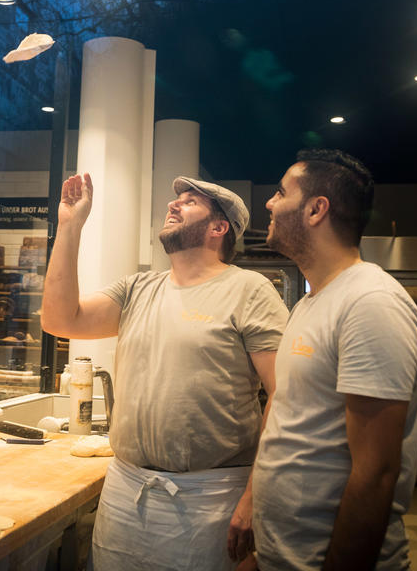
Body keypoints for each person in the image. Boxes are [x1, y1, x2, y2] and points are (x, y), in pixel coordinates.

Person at [43, 172, 289, 570]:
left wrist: (255, 495)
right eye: (177, 199)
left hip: (210, 495)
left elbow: (285, 393)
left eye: (190, 202)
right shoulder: (139, 288)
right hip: (126, 489)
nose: (174, 204)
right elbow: (60, 319)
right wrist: (70, 226)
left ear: (218, 227)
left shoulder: (250, 289)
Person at [246, 149, 417, 571]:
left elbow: (376, 474)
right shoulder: (311, 303)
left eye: (279, 192)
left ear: (316, 209)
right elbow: (299, 434)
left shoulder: (370, 302)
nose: (270, 204)